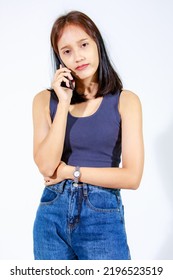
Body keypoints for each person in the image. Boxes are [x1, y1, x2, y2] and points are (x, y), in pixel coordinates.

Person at [32, 10, 144, 260]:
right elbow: (46, 166)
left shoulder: (126, 101)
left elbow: (132, 176)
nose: (78, 57)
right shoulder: (44, 101)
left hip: (101, 215)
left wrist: (69, 172)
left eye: (83, 44)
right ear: (59, 59)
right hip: (51, 215)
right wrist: (63, 103)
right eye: (66, 51)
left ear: (97, 45)